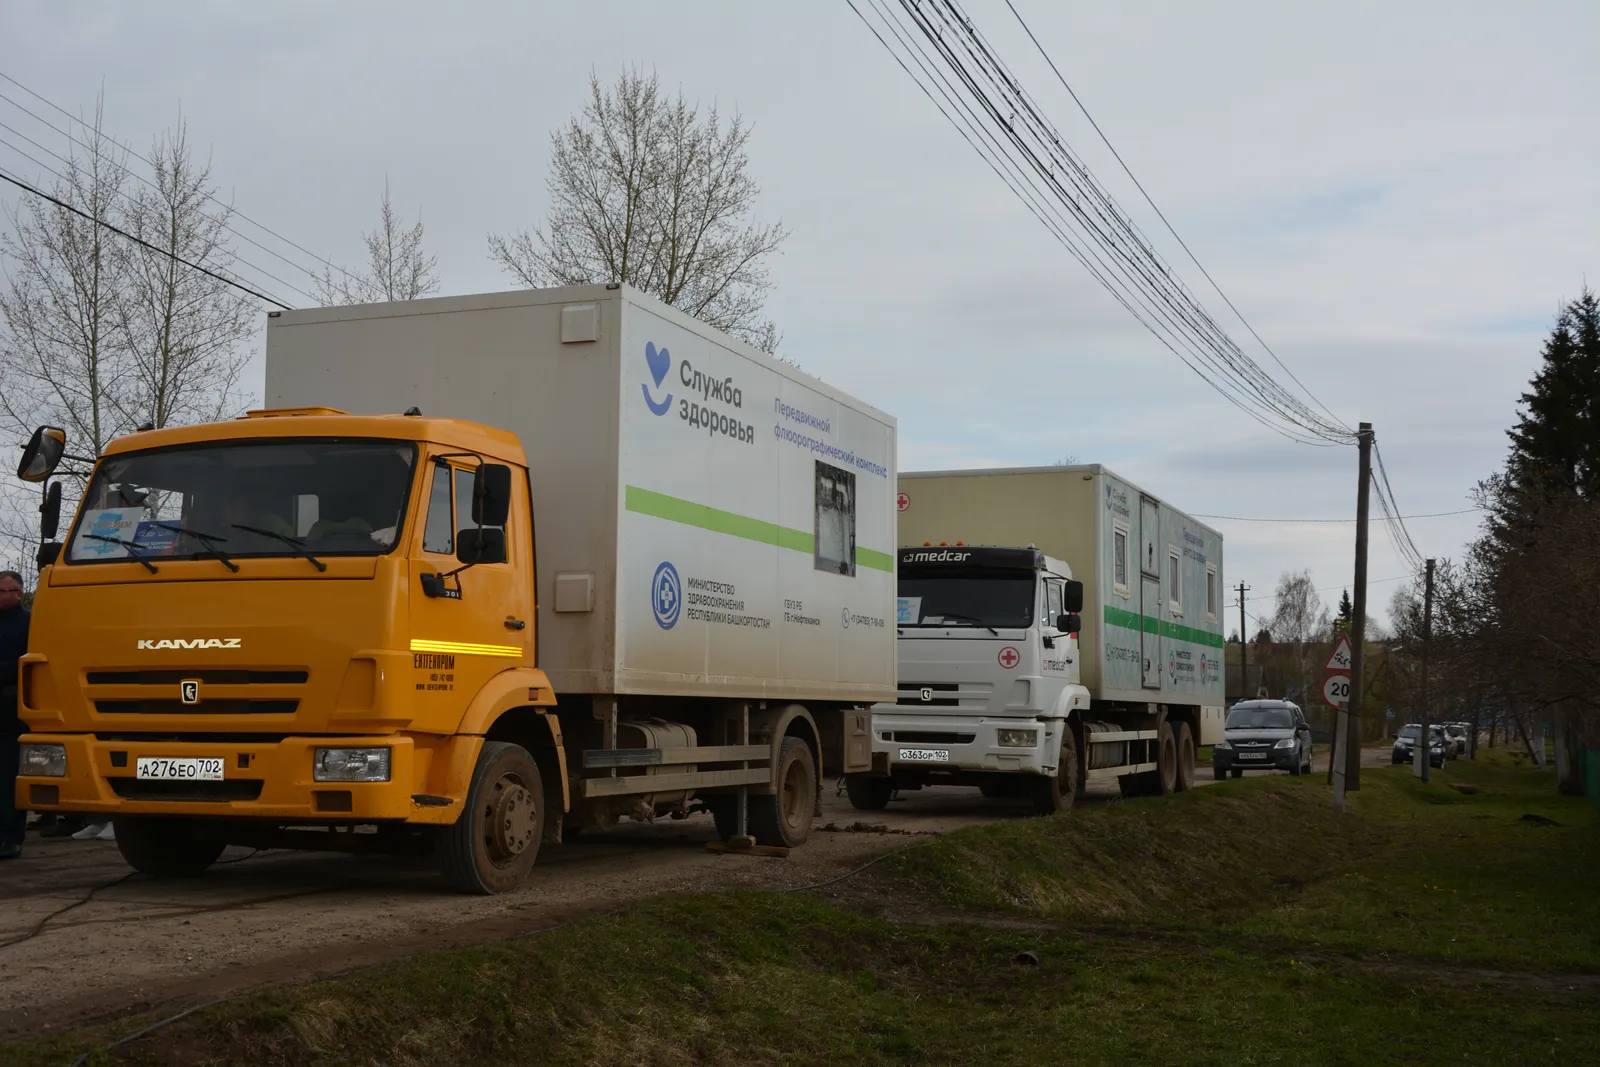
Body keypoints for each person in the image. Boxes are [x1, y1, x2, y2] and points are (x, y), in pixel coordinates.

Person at [0, 570, 30, 859]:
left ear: (18, 593)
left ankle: (11, 836)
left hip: (11, 707)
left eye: (2, 591)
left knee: (9, 775)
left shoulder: (29, 622)